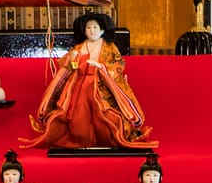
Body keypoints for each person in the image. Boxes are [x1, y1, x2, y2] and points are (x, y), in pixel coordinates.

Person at [22, 13, 158, 152]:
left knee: (103, 117)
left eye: (95, 27)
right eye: (88, 27)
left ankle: (106, 139)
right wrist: (72, 61)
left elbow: (118, 64)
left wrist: (102, 68)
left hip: (101, 85)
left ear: (102, 30)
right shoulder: (78, 48)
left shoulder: (109, 47)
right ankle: (80, 140)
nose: (92, 30)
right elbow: (70, 67)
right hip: (80, 85)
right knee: (78, 117)